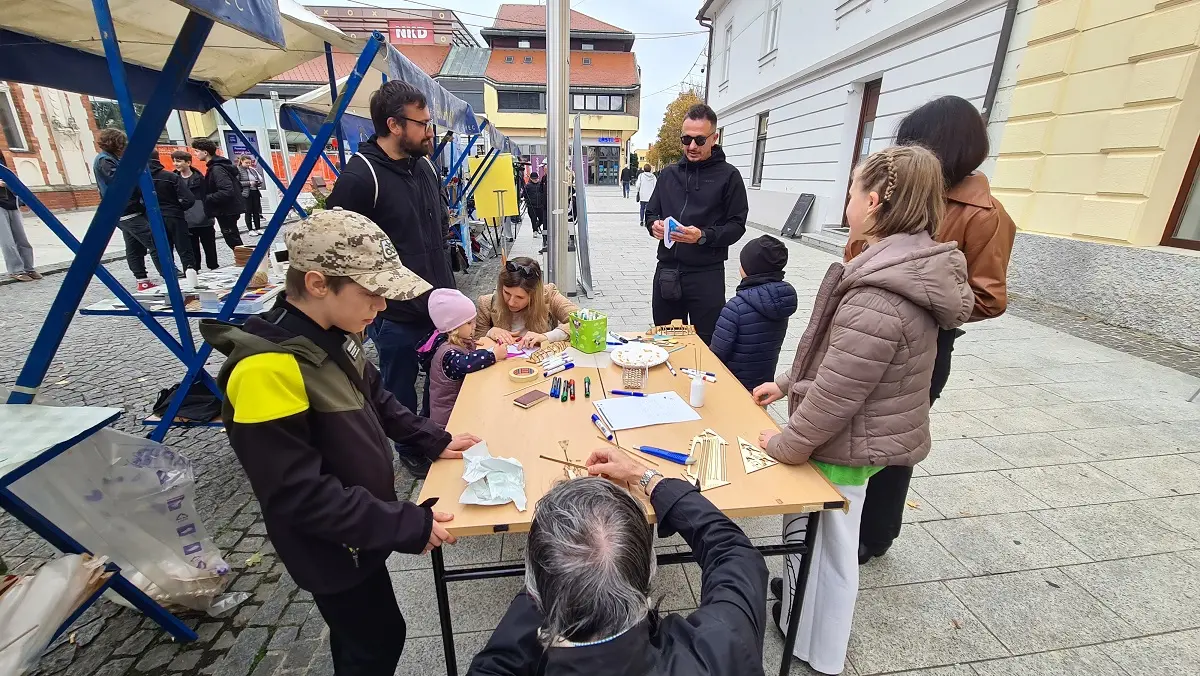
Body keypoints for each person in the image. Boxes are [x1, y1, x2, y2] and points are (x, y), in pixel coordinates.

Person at [200, 208, 482, 676]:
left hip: (360, 531)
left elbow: (378, 397)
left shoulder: (332, 334)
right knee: (371, 644)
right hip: (332, 545)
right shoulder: (265, 370)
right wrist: (404, 524)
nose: (382, 306)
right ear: (316, 284)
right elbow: (298, 495)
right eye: (371, 293)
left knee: (378, 634)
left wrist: (432, 438)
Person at [751, 146, 973, 675]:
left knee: (826, 545)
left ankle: (819, 650)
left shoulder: (880, 288)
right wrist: (784, 384)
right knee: (825, 541)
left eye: (852, 191)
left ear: (873, 200)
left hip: (847, 440)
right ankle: (803, 625)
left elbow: (837, 391)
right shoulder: (902, 264)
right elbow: (838, 357)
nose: (846, 201)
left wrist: (786, 443)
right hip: (862, 433)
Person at [849, 96, 1017, 565]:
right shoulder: (898, 194)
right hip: (867, 331)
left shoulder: (984, 214)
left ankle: (876, 533)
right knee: (850, 425)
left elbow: (988, 297)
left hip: (924, 347)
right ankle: (841, 515)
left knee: (893, 438)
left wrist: (920, 298)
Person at [467, 448, 769, 675]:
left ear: (533, 583)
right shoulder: (722, 649)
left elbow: (502, 657)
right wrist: (649, 478)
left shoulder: (495, 666)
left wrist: (557, 573)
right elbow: (734, 553)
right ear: (649, 569)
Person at [325, 80, 455, 479]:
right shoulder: (361, 177)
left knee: (441, 375)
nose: (429, 131)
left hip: (437, 301)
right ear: (394, 124)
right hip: (394, 310)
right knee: (398, 384)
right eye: (422, 123)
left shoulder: (426, 165)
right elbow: (339, 247)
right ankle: (408, 447)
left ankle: (432, 433)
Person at [644, 104, 748, 344]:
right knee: (665, 342)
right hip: (668, 271)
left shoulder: (729, 176)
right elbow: (650, 213)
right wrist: (654, 226)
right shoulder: (668, 174)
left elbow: (737, 225)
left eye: (700, 140)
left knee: (708, 344)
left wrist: (703, 235)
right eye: (686, 139)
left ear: (715, 137)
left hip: (706, 274)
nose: (691, 147)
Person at [710, 235, 797, 392]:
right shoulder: (781, 302)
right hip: (763, 384)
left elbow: (717, 352)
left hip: (732, 384)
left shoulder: (735, 307)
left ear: (749, 269)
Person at [94, 128, 168, 291]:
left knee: (134, 245)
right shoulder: (105, 160)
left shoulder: (109, 158)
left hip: (127, 208)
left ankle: (142, 279)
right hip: (126, 209)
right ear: (116, 144)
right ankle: (169, 274)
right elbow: (120, 181)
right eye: (122, 144)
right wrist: (136, 171)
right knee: (155, 241)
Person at [422, 288, 508, 427]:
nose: (474, 326)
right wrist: (492, 355)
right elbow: (464, 364)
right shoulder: (448, 354)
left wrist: (471, 344)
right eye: (469, 323)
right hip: (449, 420)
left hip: (458, 409)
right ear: (453, 327)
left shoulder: (450, 339)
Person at [474, 257, 578, 348]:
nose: (511, 302)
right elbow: (476, 345)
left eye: (520, 297)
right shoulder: (487, 303)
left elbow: (582, 322)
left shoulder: (549, 296)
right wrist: (490, 332)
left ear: (534, 295)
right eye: (506, 293)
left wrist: (546, 337)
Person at [148, 152, 197, 274]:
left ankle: (170, 276)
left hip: (154, 217)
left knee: (163, 250)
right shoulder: (170, 177)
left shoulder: (141, 178)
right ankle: (190, 274)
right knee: (184, 248)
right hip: (174, 215)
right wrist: (178, 208)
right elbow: (189, 199)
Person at [190, 138, 244, 250]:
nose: (195, 154)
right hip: (226, 209)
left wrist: (207, 197)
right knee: (233, 239)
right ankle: (247, 261)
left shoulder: (217, 169)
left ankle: (248, 261)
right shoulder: (217, 166)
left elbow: (227, 191)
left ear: (205, 152)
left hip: (226, 210)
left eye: (196, 151)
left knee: (233, 240)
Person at [174, 150, 220, 271]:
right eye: (174, 161)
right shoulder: (174, 180)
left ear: (188, 162)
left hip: (204, 219)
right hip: (186, 220)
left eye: (178, 161)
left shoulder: (200, 179)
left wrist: (209, 213)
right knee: (192, 248)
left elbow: (208, 197)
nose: (175, 164)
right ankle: (195, 270)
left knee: (209, 247)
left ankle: (213, 268)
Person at [0, 153, 38, 282]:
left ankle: (28, 268)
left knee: (22, 238)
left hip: (11, 201)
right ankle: (16, 270)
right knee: (7, 240)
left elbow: (8, 175)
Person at [238, 155, 265, 233]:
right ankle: (250, 229)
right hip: (246, 193)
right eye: (246, 163)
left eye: (249, 163)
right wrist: (249, 183)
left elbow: (258, 178)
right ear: (241, 161)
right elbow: (237, 183)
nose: (248, 164)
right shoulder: (238, 170)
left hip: (255, 191)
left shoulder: (252, 170)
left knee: (256, 211)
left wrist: (258, 183)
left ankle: (258, 228)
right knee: (248, 211)